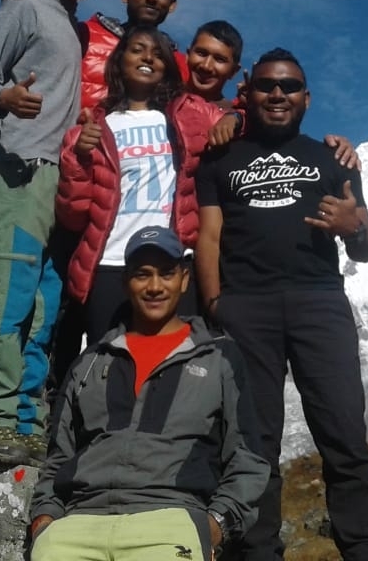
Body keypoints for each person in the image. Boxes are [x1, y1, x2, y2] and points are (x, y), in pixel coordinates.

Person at [195, 48, 368, 561]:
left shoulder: (334, 158)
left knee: (344, 431)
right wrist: (216, 303)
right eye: (266, 85)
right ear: (250, 92)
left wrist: (356, 229)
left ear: (306, 97)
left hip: (319, 303)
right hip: (247, 308)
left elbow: (366, 247)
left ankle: (365, 550)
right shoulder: (221, 159)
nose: (277, 94)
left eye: (288, 86)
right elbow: (209, 234)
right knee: (254, 443)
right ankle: (258, 552)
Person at [27, 225, 270, 561]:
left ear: (185, 279)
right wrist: (45, 521)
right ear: (127, 281)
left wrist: (214, 526)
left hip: (170, 523)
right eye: (143, 274)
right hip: (77, 526)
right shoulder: (90, 362)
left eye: (166, 273)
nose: (155, 286)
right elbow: (58, 457)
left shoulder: (219, 358)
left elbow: (248, 458)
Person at [0, 0, 103, 467]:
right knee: (10, 296)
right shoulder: (23, 9)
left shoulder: (76, 26)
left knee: (44, 303)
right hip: (19, 169)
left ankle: (26, 421)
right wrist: (4, 97)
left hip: (59, 178)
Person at [52, 24, 241, 383]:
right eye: (137, 50)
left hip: (174, 263)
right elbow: (73, 214)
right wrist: (78, 157)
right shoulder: (90, 129)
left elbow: (243, 126)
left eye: (157, 54)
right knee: (108, 372)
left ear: (169, 67)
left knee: (175, 374)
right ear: (118, 61)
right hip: (110, 263)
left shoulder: (189, 113)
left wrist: (235, 116)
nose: (147, 58)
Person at [2, 0, 187, 111]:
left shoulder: (180, 63)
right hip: (74, 148)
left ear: (172, 4)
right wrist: (13, 10)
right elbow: (37, 49)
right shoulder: (85, 34)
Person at [186, 19, 244, 109]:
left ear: (233, 71)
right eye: (201, 53)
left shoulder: (235, 116)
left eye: (219, 60)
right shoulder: (162, 97)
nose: (206, 66)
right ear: (188, 55)